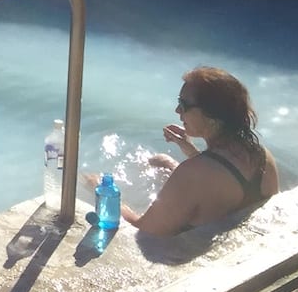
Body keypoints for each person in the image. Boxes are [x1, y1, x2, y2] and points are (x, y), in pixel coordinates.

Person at [112, 66, 279, 236]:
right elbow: (223, 176)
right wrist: (189, 148)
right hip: (235, 238)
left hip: (191, 253)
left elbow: (144, 231)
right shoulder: (262, 156)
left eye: (183, 105)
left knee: (102, 186)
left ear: (212, 116)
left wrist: (108, 197)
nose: (177, 110)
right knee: (161, 160)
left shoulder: (191, 174)